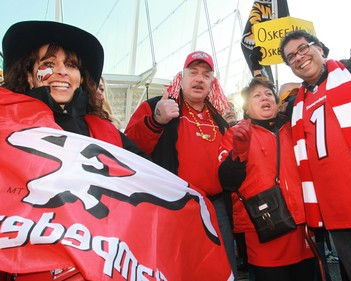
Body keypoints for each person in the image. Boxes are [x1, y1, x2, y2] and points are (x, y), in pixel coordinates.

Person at [125, 50, 239, 279]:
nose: (199, 79)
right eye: (193, 72)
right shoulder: (158, 105)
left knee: (224, 269)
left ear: (211, 83)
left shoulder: (218, 116)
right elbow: (128, 148)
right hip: (174, 207)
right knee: (179, 270)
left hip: (216, 208)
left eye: (206, 75)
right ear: (181, 77)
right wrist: (155, 120)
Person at [280, 29, 351, 281]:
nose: (299, 57)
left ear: (320, 48)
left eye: (303, 48)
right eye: (291, 57)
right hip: (339, 216)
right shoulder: (295, 108)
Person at [2, 20, 147, 159]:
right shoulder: (5, 123)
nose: (62, 71)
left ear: (81, 78)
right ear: (29, 77)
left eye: (71, 65)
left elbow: (150, 176)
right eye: (49, 63)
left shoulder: (109, 132)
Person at [218, 77, 315, 281]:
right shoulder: (236, 133)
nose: (265, 98)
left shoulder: (293, 127)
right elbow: (226, 181)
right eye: (257, 95)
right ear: (247, 107)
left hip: (304, 229)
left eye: (269, 94)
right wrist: (238, 153)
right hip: (264, 231)